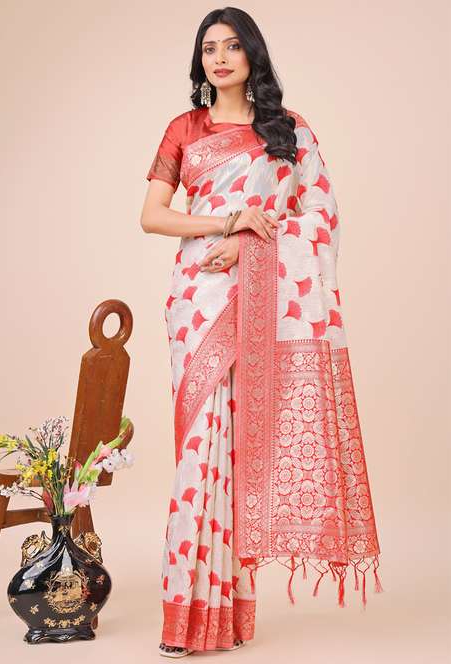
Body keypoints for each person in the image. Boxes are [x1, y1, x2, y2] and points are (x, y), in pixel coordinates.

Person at [140, 7, 383, 658]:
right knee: (201, 450)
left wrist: (252, 243)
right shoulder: (184, 128)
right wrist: (229, 224)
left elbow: (321, 218)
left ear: (253, 54)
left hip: (261, 297)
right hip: (198, 298)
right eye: (209, 49)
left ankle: (232, 616)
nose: (219, 58)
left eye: (231, 46)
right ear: (200, 61)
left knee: (242, 452)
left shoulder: (288, 129)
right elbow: (153, 216)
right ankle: (188, 615)